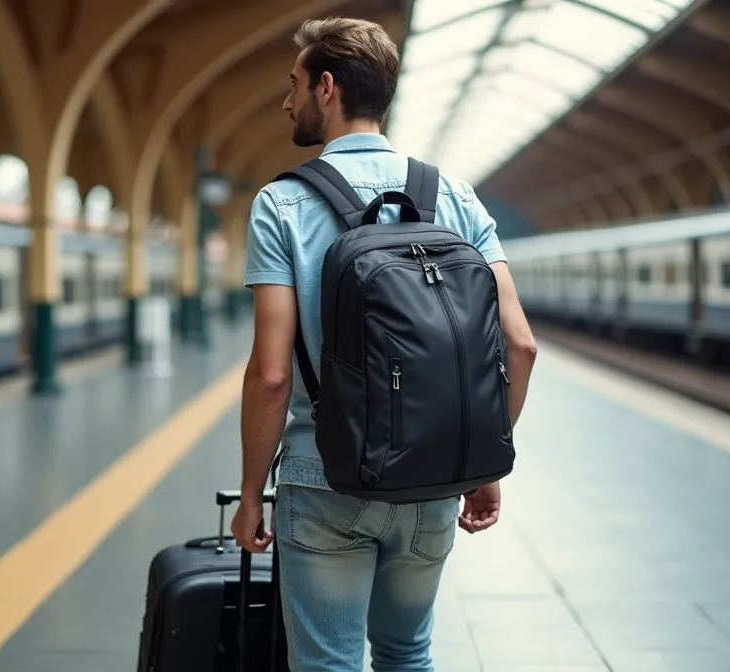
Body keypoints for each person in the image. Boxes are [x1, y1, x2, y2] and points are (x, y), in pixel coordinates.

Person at [229, 16, 539, 672]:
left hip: (324, 475)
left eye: (295, 84)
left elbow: (271, 373)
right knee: (407, 654)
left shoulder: (281, 204)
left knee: (329, 665)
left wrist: (253, 489)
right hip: (430, 481)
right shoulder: (453, 195)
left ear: (327, 88)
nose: (287, 101)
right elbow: (520, 345)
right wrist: (479, 463)